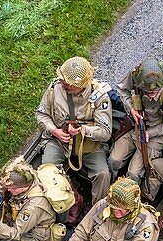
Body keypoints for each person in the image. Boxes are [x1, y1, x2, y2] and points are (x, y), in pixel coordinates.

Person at [36, 56, 114, 203]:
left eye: (68, 84)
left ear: (82, 85)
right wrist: (54, 131)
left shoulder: (99, 97)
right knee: (46, 172)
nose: (62, 84)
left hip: (89, 146)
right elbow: (42, 114)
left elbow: (105, 133)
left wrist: (82, 130)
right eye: (62, 80)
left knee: (103, 174)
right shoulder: (55, 88)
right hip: (59, 141)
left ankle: (96, 210)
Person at [109, 58, 163, 189]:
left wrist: (149, 132)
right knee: (114, 161)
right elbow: (122, 90)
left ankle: (128, 197)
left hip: (156, 135)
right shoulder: (136, 76)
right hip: (135, 126)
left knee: (133, 173)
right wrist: (131, 108)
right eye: (148, 91)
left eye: (155, 92)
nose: (151, 95)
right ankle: (110, 187)